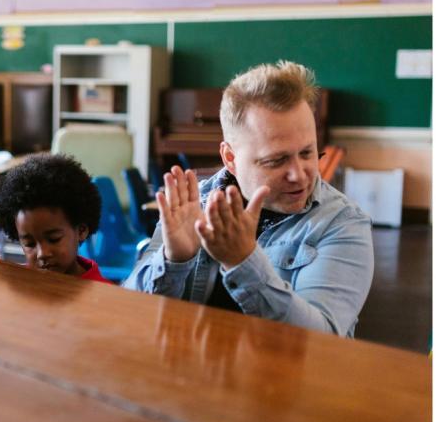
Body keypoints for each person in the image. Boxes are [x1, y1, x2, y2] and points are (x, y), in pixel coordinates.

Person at [123, 61, 374, 336]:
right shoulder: (195, 205)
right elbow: (133, 311)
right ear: (230, 158)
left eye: (307, 153)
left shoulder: (342, 223)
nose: (299, 175)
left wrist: (243, 262)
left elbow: (320, 341)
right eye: (276, 160)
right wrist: (174, 259)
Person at [0, 153, 111, 283]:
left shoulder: (105, 294)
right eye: (29, 244)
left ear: (81, 231)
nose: (41, 254)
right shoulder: (19, 285)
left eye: (54, 239)